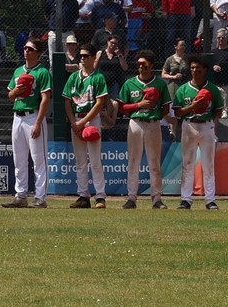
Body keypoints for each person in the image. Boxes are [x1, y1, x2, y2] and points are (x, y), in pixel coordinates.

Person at [117, 51, 170, 209]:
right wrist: (138, 106)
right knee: (133, 161)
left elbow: (166, 107)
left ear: (152, 66)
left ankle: (156, 198)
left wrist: (155, 115)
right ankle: (131, 197)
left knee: (154, 162)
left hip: (153, 123)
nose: (141, 67)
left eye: (144, 65)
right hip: (136, 122)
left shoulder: (159, 84)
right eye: (139, 64)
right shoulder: (129, 83)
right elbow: (122, 107)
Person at [2, 41, 51, 208]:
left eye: (30, 49)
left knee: (39, 160)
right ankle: (20, 195)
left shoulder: (42, 72)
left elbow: (45, 99)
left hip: (33, 115)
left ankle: (40, 198)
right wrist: (14, 92)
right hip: (18, 116)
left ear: (38, 53)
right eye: (24, 48)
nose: (26, 51)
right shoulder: (18, 71)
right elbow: (10, 95)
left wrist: (38, 123)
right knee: (19, 159)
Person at [63, 47, 110, 208]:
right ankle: (83, 196)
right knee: (80, 160)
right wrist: (73, 122)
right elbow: (67, 101)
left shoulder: (98, 77)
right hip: (76, 119)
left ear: (92, 58)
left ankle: (100, 196)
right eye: (80, 56)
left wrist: (81, 123)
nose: (82, 58)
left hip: (91, 120)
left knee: (95, 160)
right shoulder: (73, 78)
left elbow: (99, 103)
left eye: (85, 56)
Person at [172, 58, 220, 209]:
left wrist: (205, 110)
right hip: (189, 125)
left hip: (207, 126)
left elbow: (218, 110)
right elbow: (178, 112)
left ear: (205, 70)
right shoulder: (183, 89)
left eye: (198, 68)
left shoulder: (212, 89)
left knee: (209, 164)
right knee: (187, 163)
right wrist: (193, 107)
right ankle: (186, 199)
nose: (195, 71)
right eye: (192, 68)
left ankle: (210, 199)